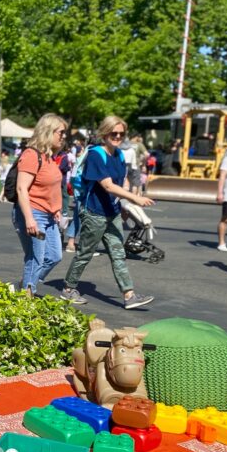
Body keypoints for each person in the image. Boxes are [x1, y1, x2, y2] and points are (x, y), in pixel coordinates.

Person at [60, 116, 155, 309]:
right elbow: (107, 185)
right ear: (104, 133)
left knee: (118, 253)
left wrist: (127, 199)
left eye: (121, 133)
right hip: (94, 213)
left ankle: (129, 295)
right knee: (85, 253)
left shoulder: (119, 155)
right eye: (114, 133)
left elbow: (122, 181)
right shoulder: (96, 154)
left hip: (112, 212)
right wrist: (134, 198)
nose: (118, 136)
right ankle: (69, 289)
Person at [13, 114, 66, 298]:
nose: (63, 136)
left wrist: (56, 208)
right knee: (36, 257)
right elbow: (21, 188)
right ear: (48, 132)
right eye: (61, 132)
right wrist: (29, 218)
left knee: (54, 256)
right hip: (34, 213)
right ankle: (27, 296)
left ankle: (26, 285)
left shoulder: (49, 157)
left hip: (49, 215)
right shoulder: (31, 155)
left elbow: (51, 186)